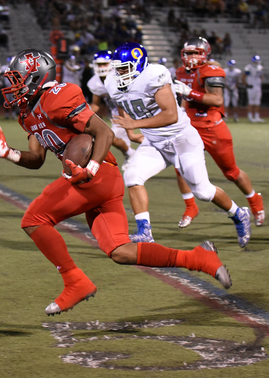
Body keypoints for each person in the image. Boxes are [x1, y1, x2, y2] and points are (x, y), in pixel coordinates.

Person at [0, 48, 232, 316]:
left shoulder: (57, 97)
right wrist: (8, 153)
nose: (13, 85)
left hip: (96, 176)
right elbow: (36, 158)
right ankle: (199, 258)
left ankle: (75, 281)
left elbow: (104, 132)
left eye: (18, 78)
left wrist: (91, 167)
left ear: (36, 75)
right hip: (95, 180)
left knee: (34, 219)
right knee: (120, 251)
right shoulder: (27, 112)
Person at [106, 42, 251, 248]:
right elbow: (123, 103)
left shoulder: (153, 76)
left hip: (182, 139)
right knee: (132, 176)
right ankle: (144, 231)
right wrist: (131, 132)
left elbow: (171, 115)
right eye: (117, 68)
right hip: (154, 142)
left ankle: (238, 213)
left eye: (124, 68)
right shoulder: (113, 82)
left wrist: (135, 124)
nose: (119, 73)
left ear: (139, 64)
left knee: (203, 192)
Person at [173, 38, 264, 228]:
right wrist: (181, 111)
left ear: (205, 53)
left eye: (196, 52)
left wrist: (191, 93)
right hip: (190, 127)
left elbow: (216, 99)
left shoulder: (212, 71)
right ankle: (191, 206)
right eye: (188, 53)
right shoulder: (181, 72)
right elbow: (184, 99)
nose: (191, 57)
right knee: (180, 168)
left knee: (231, 172)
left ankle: (255, 202)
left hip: (211, 127)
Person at [86, 50, 142, 171]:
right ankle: (130, 154)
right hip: (117, 113)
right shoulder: (94, 82)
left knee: (150, 137)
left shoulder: (118, 77)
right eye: (99, 64)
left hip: (133, 109)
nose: (102, 67)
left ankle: (134, 155)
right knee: (111, 137)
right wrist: (83, 114)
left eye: (104, 64)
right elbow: (96, 105)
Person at [242, 55, 264, 122]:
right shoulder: (249, 67)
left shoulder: (260, 67)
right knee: (251, 101)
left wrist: (260, 83)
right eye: (255, 61)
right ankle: (250, 116)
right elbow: (243, 77)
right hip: (251, 86)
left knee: (257, 102)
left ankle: (257, 116)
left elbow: (261, 76)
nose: (256, 63)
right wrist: (246, 85)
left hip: (258, 87)